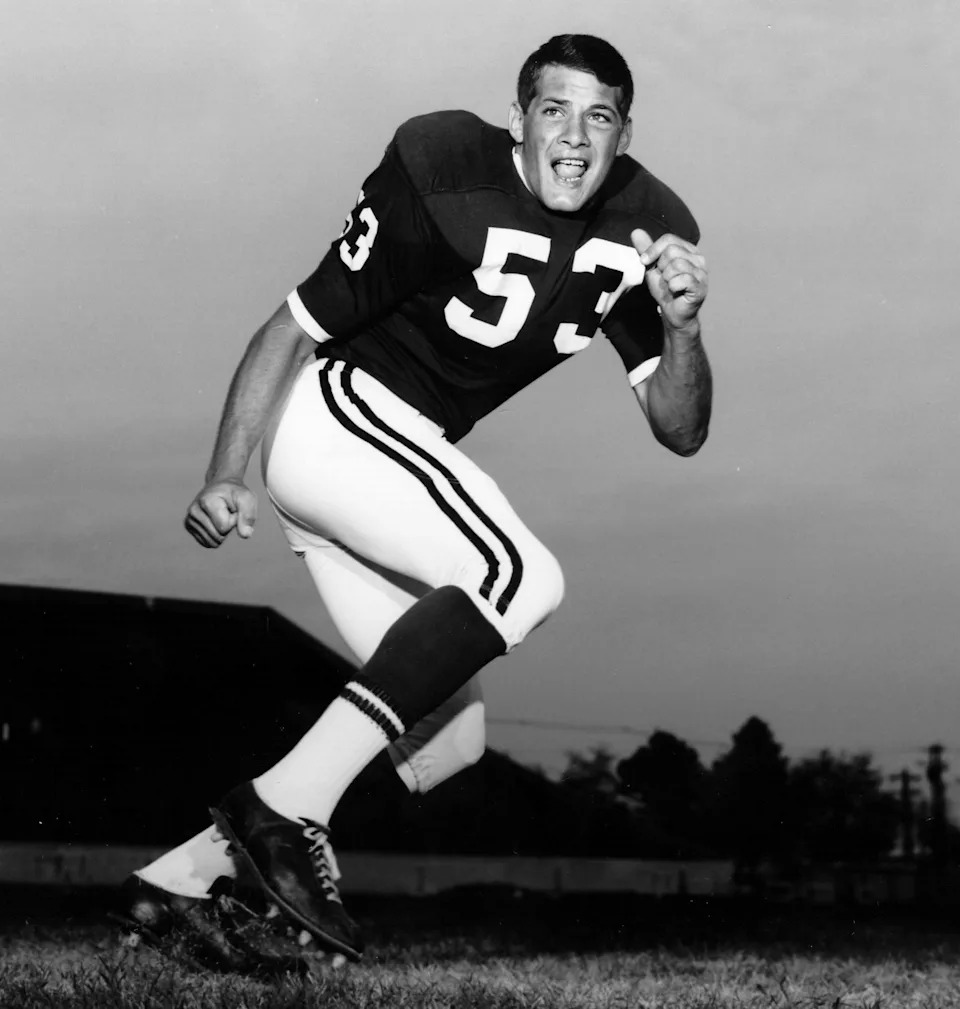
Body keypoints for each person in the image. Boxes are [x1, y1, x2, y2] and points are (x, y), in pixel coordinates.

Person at [122, 32, 711, 967]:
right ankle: (279, 813)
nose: (574, 136)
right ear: (517, 119)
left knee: (450, 738)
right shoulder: (446, 173)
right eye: (554, 110)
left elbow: (680, 429)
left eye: (598, 117)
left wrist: (682, 329)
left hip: (382, 469)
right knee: (520, 577)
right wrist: (225, 471)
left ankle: (179, 885)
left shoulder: (643, 226)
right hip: (338, 413)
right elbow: (290, 326)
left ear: (624, 134)